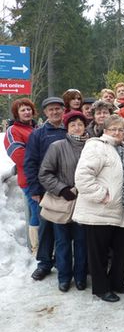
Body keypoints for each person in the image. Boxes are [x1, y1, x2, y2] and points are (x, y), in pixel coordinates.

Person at [73, 115, 124, 302]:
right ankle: (101, 289)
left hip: (123, 210)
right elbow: (82, 177)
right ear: (105, 130)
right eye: (113, 129)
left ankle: (117, 282)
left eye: (121, 129)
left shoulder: (122, 149)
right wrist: (102, 195)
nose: (118, 132)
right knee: (99, 252)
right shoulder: (97, 146)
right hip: (101, 209)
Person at [38, 111, 88, 293]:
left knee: (82, 242)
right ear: (67, 128)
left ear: (85, 127)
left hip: (84, 203)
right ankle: (64, 277)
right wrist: (61, 189)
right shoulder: (57, 146)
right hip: (62, 202)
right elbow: (44, 173)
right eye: (73, 124)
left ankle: (81, 277)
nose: (77, 127)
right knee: (62, 242)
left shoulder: (91, 146)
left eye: (80, 124)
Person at [24, 97, 67, 281]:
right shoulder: (38, 134)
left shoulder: (70, 130)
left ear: (63, 110)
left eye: (58, 109)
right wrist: (34, 190)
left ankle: (63, 261)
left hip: (67, 189)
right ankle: (44, 263)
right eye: (51, 110)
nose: (55, 112)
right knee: (46, 228)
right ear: (45, 113)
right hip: (45, 189)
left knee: (65, 229)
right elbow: (30, 163)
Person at [4, 98, 39, 255]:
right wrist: (45, 160)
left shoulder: (35, 129)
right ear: (16, 114)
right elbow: (19, 156)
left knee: (44, 212)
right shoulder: (13, 131)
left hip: (45, 178)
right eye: (23, 110)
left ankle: (44, 246)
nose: (27, 112)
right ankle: (36, 247)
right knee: (37, 213)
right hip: (29, 180)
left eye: (29, 109)